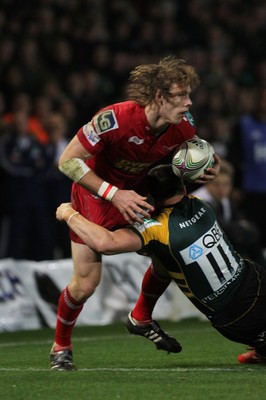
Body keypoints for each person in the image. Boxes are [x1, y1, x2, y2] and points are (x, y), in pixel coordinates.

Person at [51, 57, 221, 370]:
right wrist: (114, 194)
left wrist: (205, 169)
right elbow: (67, 161)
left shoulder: (183, 125)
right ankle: (61, 345)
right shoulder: (114, 119)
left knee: (169, 253)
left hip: (139, 195)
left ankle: (141, 317)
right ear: (159, 97)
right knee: (85, 284)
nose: (189, 101)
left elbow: (197, 156)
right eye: (182, 95)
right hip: (96, 195)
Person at [57, 164, 266, 367]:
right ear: (183, 188)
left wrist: (69, 213)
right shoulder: (201, 204)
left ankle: (261, 346)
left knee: (164, 254)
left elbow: (104, 243)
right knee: (165, 257)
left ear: (150, 195)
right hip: (255, 281)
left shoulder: (156, 229)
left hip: (235, 318)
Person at [192, 160, 266, 266]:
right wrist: (243, 229)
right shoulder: (199, 202)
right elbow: (225, 229)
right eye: (216, 184)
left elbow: (239, 218)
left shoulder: (224, 198)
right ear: (207, 184)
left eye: (226, 184)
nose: (221, 189)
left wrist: (246, 229)